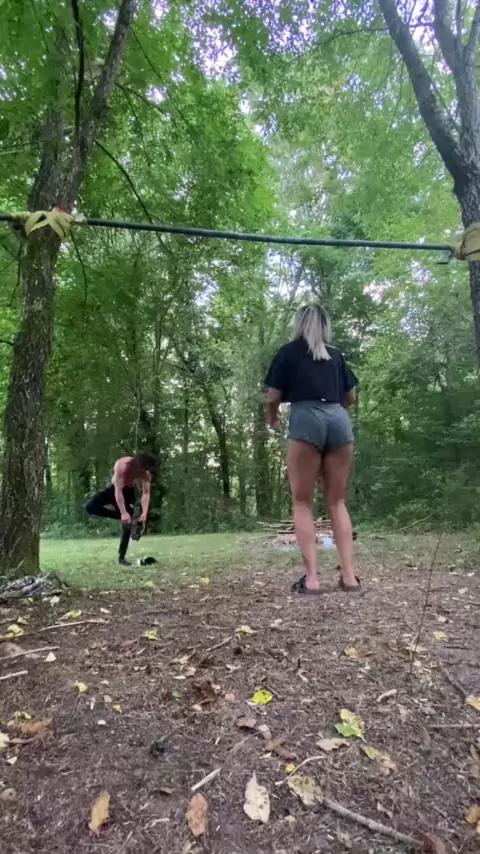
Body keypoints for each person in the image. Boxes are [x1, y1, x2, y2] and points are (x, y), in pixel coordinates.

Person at [264, 304, 359, 594]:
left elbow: (272, 397)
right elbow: (351, 397)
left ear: (299, 324)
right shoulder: (336, 355)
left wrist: (273, 419)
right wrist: (332, 414)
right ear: (326, 326)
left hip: (306, 418)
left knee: (302, 502)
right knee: (337, 501)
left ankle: (313, 580)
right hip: (338, 419)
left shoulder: (288, 352)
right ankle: (349, 578)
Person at [85, 453, 157, 566]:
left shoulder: (145, 473)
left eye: (146, 470)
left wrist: (144, 512)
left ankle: (122, 558)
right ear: (138, 464)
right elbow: (118, 491)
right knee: (90, 506)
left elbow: (146, 493)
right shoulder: (122, 465)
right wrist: (123, 513)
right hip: (114, 489)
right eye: (142, 469)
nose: (143, 472)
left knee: (127, 525)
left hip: (128, 492)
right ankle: (126, 518)